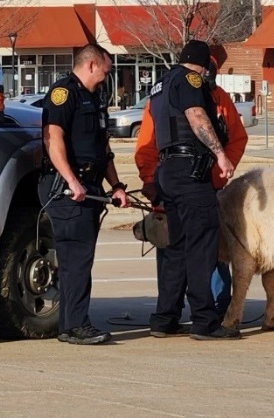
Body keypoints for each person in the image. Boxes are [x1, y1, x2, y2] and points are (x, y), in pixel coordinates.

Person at [134, 56, 248, 328]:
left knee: (186, 249)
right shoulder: (180, 90)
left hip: (194, 180)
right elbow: (148, 144)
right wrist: (150, 181)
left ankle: (176, 317)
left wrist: (217, 178)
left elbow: (237, 138)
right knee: (199, 248)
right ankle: (199, 318)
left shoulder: (214, 97)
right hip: (184, 180)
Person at [38, 44, 130, 345]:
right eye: (105, 71)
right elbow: (53, 139)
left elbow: (103, 149)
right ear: (91, 65)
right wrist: (71, 180)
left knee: (80, 258)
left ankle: (70, 325)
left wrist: (116, 186)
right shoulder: (63, 93)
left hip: (90, 187)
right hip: (67, 189)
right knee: (76, 258)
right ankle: (76, 325)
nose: (106, 77)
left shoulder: (94, 99)